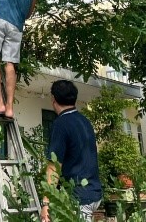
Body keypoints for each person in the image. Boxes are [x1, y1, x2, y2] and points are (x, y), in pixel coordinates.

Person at [42, 80, 102, 222]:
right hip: (93, 192)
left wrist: (46, 203)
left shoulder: (61, 124)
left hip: (78, 197)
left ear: (53, 98)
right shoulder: (84, 121)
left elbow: (54, 166)